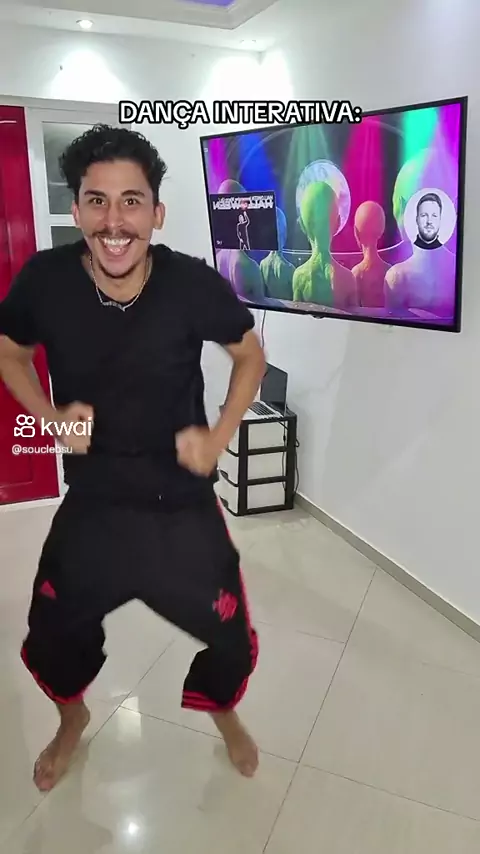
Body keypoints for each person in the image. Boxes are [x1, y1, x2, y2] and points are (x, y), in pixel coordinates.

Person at [0, 124, 266, 792]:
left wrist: (219, 434)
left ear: (157, 213)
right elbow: (8, 351)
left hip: (181, 501)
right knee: (52, 632)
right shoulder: (45, 281)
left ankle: (224, 712)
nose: (114, 221)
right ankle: (72, 720)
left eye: (131, 202)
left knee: (229, 636)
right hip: (95, 500)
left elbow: (249, 355)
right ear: (76, 210)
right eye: (97, 201)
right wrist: (48, 417)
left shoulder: (191, 284)